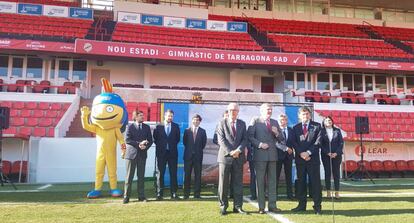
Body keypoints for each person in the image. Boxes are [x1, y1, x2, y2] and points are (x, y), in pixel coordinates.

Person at [248, 103, 288, 214]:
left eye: (271, 109)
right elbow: (250, 136)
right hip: (260, 155)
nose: (269, 111)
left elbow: (281, 139)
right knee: (260, 181)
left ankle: (272, 205)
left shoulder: (275, 122)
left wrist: (276, 133)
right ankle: (261, 207)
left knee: (272, 182)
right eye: (267, 109)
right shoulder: (255, 120)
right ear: (261, 110)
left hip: (273, 156)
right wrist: (260, 144)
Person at [217, 103, 248, 216]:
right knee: (223, 184)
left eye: (235, 110)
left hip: (238, 157)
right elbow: (221, 140)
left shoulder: (242, 123)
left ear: (238, 111)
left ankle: (238, 207)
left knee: (238, 183)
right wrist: (231, 152)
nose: (233, 112)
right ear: (228, 111)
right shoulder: (221, 123)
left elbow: (245, 139)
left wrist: (238, 150)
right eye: (231, 110)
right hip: (225, 158)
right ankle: (223, 206)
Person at [291, 106, 322, 215]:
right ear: (299, 116)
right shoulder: (295, 128)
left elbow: (318, 142)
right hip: (300, 160)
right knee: (301, 183)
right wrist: (301, 153)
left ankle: (317, 206)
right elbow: (294, 142)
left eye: (307, 114)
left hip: (312, 159)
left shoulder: (317, 126)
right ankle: (301, 205)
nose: (305, 116)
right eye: (303, 114)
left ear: (310, 114)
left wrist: (308, 153)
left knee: (315, 183)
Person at [123, 110, 153, 204]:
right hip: (131, 155)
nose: (142, 117)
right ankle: (126, 197)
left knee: (141, 177)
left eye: (143, 115)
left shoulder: (147, 127)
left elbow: (150, 141)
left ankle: (141, 196)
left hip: (142, 155)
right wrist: (139, 144)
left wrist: (145, 146)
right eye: (140, 116)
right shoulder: (130, 127)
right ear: (135, 117)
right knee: (129, 177)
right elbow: (127, 139)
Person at [153, 109, 181, 200]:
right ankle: (159, 193)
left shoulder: (176, 126)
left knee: (173, 173)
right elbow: (155, 139)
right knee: (160, 173)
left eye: (171, 116)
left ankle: (173, 193)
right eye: (168, 116)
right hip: (161, 154)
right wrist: (163, 147)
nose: (170, 117)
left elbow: (177, 139)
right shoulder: (158, 126)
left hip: (172, 154)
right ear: (165, 116)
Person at [183, 114, 207, 199]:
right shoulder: (187, 130)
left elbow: (203, 144)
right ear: (192, 120)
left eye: (197, 120)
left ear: (200, 122)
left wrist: (196, 151)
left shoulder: (203, 131)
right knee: (187, 176)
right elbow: (185, 142)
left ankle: (197, 194)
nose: (195, 121)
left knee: (198, 176)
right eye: (194, 119)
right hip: (188, 156)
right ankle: (186, 194)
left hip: (198, 156)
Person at [320, 116, 344, 199]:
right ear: (324, 123)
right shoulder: (322, 131)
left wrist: (336, 153)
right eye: (326, 121)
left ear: (332, 122)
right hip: (326, 155)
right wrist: (327, 152)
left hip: (337, 156)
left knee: (336, 173)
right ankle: (328, 192)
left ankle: (337, 192)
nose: (328, 122)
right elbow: (320, 144)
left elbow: (341, 143)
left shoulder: (337, 130)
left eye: (330, 120)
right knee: (327, 173)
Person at [276, 114, 294, 200]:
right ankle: (274, 195)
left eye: (284, 120)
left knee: (289, 176)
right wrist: (286, 148)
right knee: (276, 176)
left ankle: (290, 195)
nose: (282, 121)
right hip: (278, 156)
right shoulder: (275, 130)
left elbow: (294, 142)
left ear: (286, 121)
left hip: (289, 157)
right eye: (281, 120)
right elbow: (275, 143)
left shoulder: (291, 130)